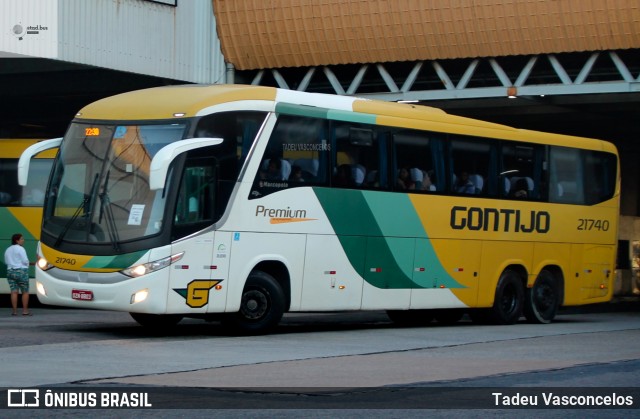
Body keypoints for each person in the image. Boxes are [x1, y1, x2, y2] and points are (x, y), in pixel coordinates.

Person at [4, 233, 31, 316]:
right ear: (17, 240)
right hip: (21, 272)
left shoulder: (8, 249)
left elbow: (6, 261)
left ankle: (14, 311)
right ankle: (25, 311)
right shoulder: (21, 249)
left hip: (10, 272)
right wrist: (27, 264)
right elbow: (25, 260)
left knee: (14, 292)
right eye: (22, 239)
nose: (23, 240)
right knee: (25, 292)